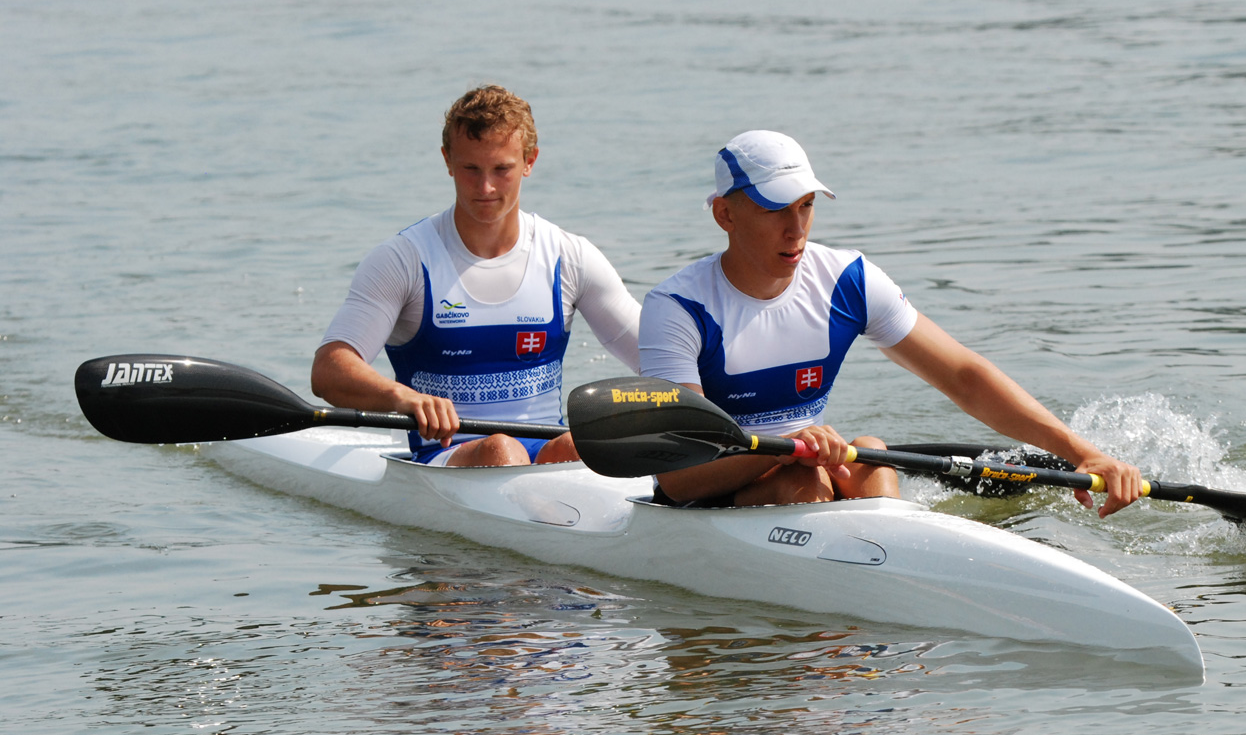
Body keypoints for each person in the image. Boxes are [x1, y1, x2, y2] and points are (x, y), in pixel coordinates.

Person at [638, 129, 1142, 512]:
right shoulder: (679, 309)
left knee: (870, 452)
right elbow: (683, 477)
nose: (797, 230)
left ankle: (887, 563)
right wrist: (788, 450)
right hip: (715, 496)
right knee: (804, 482)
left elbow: (964, 377)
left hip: (810, 465)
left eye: (808, 206)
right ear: (725, 215)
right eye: (775, 211)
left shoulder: (847, 280)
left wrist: (1082, 453)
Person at [311, 86, 640, 466]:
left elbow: (659, 358)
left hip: (547, 450)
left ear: (529, 161)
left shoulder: (569, 257)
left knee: (583, 446)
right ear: (447, 160)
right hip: (445, 455)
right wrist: (402, 398)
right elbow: (329, 369)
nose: (486, 188)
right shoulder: (403, 260)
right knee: (501, 448)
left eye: (502, 169)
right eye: (471, 169)